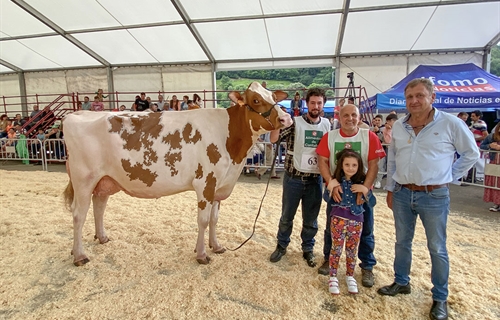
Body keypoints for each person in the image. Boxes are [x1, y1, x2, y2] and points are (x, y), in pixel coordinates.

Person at [378, 78, 479, 320]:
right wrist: (391, 188)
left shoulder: (450, 123)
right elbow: (393, 160)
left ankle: (440, 297)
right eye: (410, 97)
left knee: (436, 247)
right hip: (402, 192)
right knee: (402, 242)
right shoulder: (400, 127)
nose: (414, 101)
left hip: (434, 195)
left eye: (419, 95)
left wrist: (448, 176)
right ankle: (401, 282)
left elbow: (471, 153)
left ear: (432, 97)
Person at [316, 104, 385, 290]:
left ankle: (367, 266)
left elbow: (373, 164)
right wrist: (330, 182)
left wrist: (365, 187)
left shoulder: (369, 136)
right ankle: (328, 260)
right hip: (337, 192)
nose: (350, 118)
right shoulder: (330, 137)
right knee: (332, 229)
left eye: (353, 114)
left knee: (366, 230)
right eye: (345, 115)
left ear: (359, 116)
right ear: (339, 117)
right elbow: (321, 160)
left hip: (359, 193)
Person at [269, 88, 331, 268]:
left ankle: (308, 249)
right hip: (293, 178)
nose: (316, 106)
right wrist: (277, 122)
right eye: (312, 103)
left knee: (311, 219)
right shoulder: (294, 122)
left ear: (323, 105)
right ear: (306, 103)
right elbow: (274, 139)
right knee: (287, 216)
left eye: (319, 103)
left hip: (315, 180)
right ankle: (281, 246)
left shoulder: (327, 125)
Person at [326, 149, 374, 295]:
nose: (350, 168)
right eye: (347, 164)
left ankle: (350, 275)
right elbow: (326, 198)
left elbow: (372, 202)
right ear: (341, 165)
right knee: (336, 248)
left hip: (356, 221)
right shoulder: (335, 181)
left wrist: (365, 190)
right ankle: (333, 275)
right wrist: (331, 187)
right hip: (338, 220)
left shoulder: (362, 183)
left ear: (359, 166)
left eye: (354, 165)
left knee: (352, 250)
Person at [480, 124, 500, 211]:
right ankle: (497, 203)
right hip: (494, 162)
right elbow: (482, 145)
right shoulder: (492, 136)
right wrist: (490, 146)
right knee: (494, 183)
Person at [468, 110, 487, 183]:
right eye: (471, 116)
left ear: (478, 117)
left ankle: (475, 177)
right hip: (472, 144)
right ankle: (471, 177)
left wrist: (475, 139)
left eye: (473, 116)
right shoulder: (472, 123)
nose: (471, 117)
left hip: (477, 145)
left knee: (475, 161)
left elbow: (485, 135)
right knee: (471, 161)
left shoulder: (481, 124)